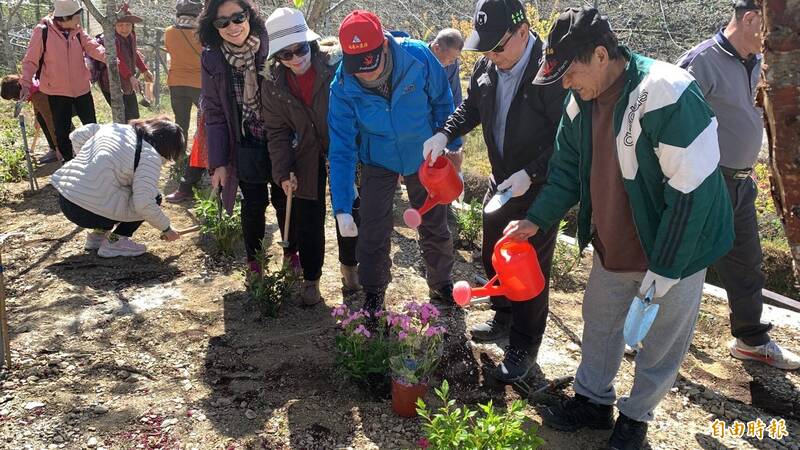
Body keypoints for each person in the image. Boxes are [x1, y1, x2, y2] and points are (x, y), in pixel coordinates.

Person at [504, 7, 733, 449]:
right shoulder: (579, 103)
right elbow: (566, 170)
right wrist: (536, 219)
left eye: (570, 73)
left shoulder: (666, 93)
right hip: (615, 240)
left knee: (662, 340)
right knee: (600, 321)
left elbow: (693, 195)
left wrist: (666, 270)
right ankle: (592, 401)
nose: (566, 85)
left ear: (602, 55)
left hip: (678, 245)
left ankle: (636, 416)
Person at [426, 0, 566, 383]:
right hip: (503, 179)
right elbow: (471, 108)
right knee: (492, 250)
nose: (491, 55)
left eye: (498, 47)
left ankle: (524, 344)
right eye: (485, 47)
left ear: (523, 32)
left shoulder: (551, 72)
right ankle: (503, 314)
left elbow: (567, 141)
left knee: (526, 266)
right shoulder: (489, 64)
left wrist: (532, 173)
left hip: (539, 186)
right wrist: (444, 133)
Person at [677, 0, 800, 370]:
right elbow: (669, 121)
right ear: (750, 19)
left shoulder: (760, 63)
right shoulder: (700, 62)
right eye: (772, 27)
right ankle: (644, 334)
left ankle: (750, 339)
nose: (779, 38)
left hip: (742, 184)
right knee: (676, 261)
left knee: (748, 264)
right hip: (704, 182)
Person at [328, 10, 461, 315]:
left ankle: (441, 283)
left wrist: (449, 142)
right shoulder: (342, 87)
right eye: (357, 66)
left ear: (385, 46)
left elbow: (443, 100)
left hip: (424, 153)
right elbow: (342, 149)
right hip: (378, 159)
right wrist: (342, 206)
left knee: (434, 222)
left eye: (371, 63)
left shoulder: (419, 57)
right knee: (373, 227)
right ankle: (374, 292)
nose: (365, 73)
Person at [262, 8, 361, 305]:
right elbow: (277, 132)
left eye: (300, 49)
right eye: (286, 54)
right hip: (303, 153)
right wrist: (282, 172)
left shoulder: (336, 65)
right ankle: (311, 278)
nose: (296, 58)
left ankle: (350, 269)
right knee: (307, 219)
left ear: (311, 43)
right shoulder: (272, 84)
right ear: (276, 57)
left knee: (350, 211)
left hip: (342, 147)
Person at [198, 0, 299, 274]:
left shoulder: (272, 44)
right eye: (223, 22)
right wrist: (219, 162)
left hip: (282, 140)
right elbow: (215, 112)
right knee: (253, 204)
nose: (232, 26)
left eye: (238, 17)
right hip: (246, 140)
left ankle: (292, 255)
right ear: (214, 27)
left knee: (285, 198)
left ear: (249, 16)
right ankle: (254, 263)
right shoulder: (212, 59)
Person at [51, 117, 184, 257]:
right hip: (89, 212)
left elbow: (78, 135)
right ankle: (115, 242)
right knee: (154, 197)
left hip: (66, 199)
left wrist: (89, 166)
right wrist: (166, 228)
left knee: (109, 190)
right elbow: (144, 203)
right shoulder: (149, 156)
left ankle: (97, 236)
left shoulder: (114, 128)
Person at [20, 0, 106, 162]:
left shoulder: (77, 31)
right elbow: (30, 60)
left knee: (91, 126)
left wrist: (110, 58)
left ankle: (95, 161)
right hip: (56, 91)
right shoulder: (43, 32)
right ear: (65, 18)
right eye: (77, 17)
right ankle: (68, 164)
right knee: (61, 131)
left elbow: (93, 47)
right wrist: (25, 83)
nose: (79, 21)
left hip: (82, 89)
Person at [164, 0, 207, 203]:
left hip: (176, 82)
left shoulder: (169, 32)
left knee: (180, 121)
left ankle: (180, 155)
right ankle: (199, 160)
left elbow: (171, 52)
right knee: (203, 124)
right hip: (199, 83)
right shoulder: (202, 33)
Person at [96, 4, 155, 122]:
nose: (125, 28)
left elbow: (134, 53)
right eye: (120, 25)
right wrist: (131, 77)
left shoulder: (131, 36)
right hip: (112, 82)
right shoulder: (112, 39)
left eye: (128, 25)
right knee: (124, 117)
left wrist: (144, 69)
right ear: (114, 26)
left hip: (128, 82)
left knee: (134, 116)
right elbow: (118, 60)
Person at [0, 75, 60, 163]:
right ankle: (55, 148)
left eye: (14, 98)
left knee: (48, 121)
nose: (16, 100)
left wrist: (58, 146)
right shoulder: (28, 83)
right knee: (41, 118)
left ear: (18, 91)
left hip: (68, 104)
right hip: (60, 102)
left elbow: (50, 121)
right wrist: (37, 117)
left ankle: (61, 148)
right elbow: (39, 106)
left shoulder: (38, 94)